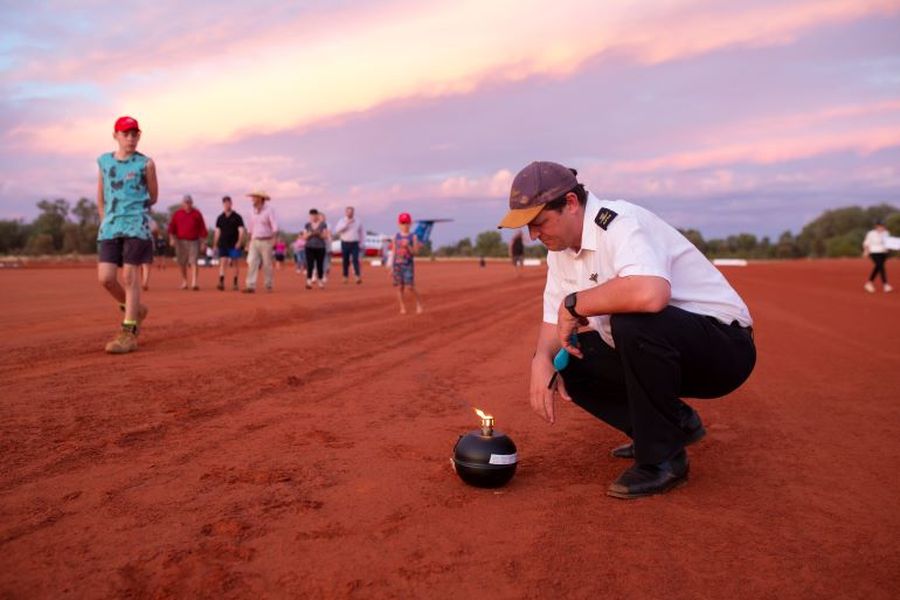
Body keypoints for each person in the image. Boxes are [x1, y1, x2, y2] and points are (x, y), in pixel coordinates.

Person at [498, 161, 756, 499]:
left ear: (571, 204)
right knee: (569, 362)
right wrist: (540, 361)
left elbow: (651, 294)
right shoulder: (561, 251)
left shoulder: (618, 223)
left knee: (632, 320)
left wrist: (574, 304)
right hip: (670, 347)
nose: (533, 235)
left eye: (540, 222)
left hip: (724, 348)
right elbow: (552, 320)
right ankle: (671, 426)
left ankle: (663, 460)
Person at [96, 115, 157, 354]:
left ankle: (129, 331)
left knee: (130, 276)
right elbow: (101, 194)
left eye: (135, 134)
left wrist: (134, 208)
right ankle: (135, 309)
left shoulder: (146, 164)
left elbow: (153, 196)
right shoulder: (104, 162)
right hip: (110, 226)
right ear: (116, 136)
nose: (131, 138)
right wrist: (104, 219)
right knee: (106, 278)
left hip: (136, 225)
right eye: (126, 134)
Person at [167, 194, 208, 290]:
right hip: (180, 241)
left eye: (189, 202)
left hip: (194, 241)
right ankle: (185, 281)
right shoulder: (177, 214)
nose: (187, 204)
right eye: (185, 202)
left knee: (193, 261)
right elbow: (171, 228)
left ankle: (194, 282)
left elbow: (202, 229)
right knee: (182, 263)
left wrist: (203, 242)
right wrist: (171, 239)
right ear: (182, 203)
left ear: (192, 203)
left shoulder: (197, 214)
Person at [243, 190, 278, 293]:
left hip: (266, 241)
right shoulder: (251, 211)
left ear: (260, 198)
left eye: (254, 197)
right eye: (252, 197)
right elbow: (250, 228)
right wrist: (248, 242)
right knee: (252, 262)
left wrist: (274, 239)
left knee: (267, 264)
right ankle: (250, 285)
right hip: (254, 240)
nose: (252, 199)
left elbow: (274, 226)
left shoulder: (269, 210)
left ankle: (268, 285)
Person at [392, 212, 423, 314]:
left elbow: (416, 252)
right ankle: (402, 307)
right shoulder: (395, 237)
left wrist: (408, 247)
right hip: (397, 264)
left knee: (410, 287)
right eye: (402, 223)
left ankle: (418, 303)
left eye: (406, 223)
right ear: (398, 224)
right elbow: (393, 252)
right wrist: (391, 267)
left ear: (410, 224)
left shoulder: (413, 237)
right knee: (399, 287)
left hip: (408, 264)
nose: (404, 225)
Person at [213, 196, 246, 291]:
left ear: (231, 204)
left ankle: (235, 283)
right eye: (225, 203)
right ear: (223, 204)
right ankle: (221, 282)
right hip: (223, 243)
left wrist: (239, 241)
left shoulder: (237, 217)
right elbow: (217, 231)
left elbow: (241, 230)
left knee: (235, 263)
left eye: (228, 203)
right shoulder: (220, 218)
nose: (227, 204)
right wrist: (215, 244)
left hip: (234, 244)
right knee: (223, 262)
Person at [334, 206, 365, 284]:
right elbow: (337, 230)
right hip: (345, 243)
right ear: (345, 212)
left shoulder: (358, 220)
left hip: (355, 243)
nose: (350, 213)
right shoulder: (342, 220)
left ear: (353, 212)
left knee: (355, 260)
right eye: (348, 211)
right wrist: (346, 224)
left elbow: (362, 232)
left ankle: (357, 276)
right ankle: (345, 276)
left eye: (351, 212)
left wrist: (362, 243)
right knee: (345, 261)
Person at [863, 220, 893, 293]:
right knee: (881, 267)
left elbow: (888, 242)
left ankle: (869, 283)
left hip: (883, 253)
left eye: (882, 226)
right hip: (874, 252)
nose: (881, 227)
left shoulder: (886, 233)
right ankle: (885, 285)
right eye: (879, 226)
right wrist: (866, 251)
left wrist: (890, 248)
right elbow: (866, 242)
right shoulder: (871, 233)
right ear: (876, 226)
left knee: (878, 267)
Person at [303, 209, 330, 289]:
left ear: (317, 216)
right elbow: (304, 237)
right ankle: (309, 281)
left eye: (315, 215)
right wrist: (311, 234)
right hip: (309, 247)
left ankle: (320, 281)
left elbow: (325, 236)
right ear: (309, 216)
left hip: (320, 247)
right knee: (310, 265)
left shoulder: (323, 224)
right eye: (311, 216)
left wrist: (319, 234)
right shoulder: (307, 225)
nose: (313, 217)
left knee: (319, 265)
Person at [141, 218, 161, 290]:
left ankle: (144, 282)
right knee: (145, 264)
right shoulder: (150, 219)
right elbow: (155, 231)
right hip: (148, 241)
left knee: (141, 264)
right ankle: (144, 282)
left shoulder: (133, 217)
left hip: (136, 242)